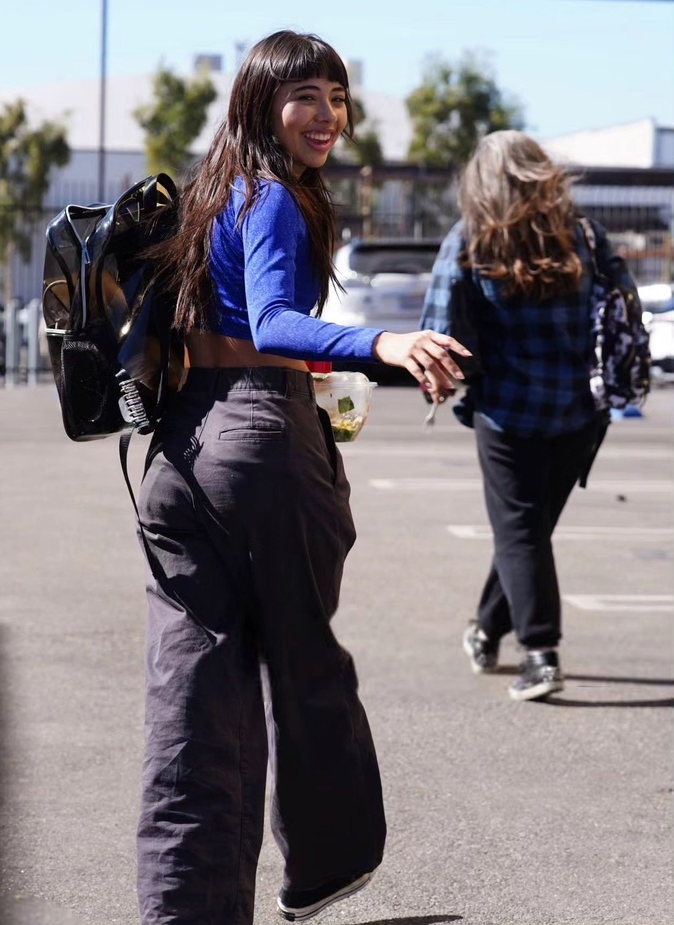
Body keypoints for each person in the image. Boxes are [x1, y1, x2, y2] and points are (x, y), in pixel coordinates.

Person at [135, 30, 471, 925]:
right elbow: (276, 321)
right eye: (306, 96)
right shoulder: (275, 196)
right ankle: (327, 859)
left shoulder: (208, 193)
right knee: (304, 661)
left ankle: (185, 909)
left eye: (337, 96)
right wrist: (382, 343)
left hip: (178, 452)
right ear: (261, 103)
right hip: (259, 440)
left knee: (190, 696)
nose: (327, 115)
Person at [420, 130, 642, 702]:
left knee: (521, 531)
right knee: (529, 532)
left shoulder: (471, 237)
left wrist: (449, 376)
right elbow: (626, 307)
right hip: (580, 412)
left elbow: (442, 329)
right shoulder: (584, 235)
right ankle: (486, 630)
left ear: (482, 180)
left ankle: (541, 653)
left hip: (506, 410)